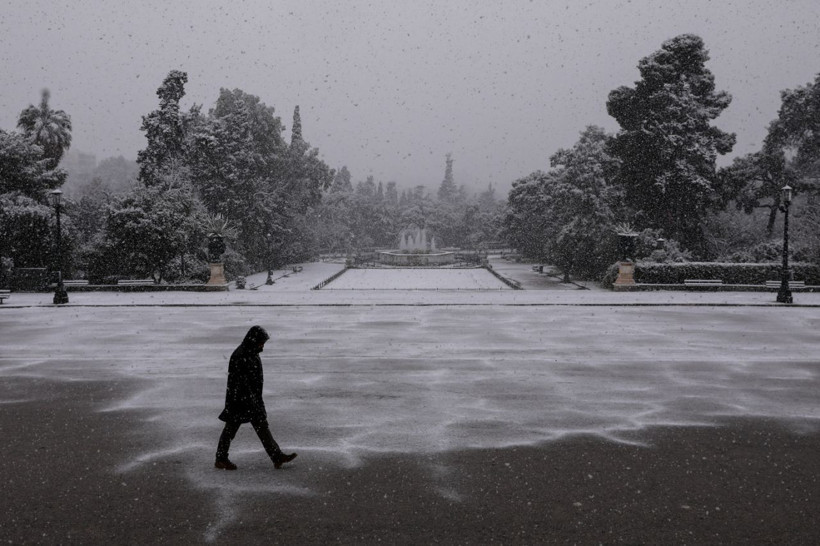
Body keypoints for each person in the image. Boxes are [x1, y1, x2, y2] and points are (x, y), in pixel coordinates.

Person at [215, 325, 297, 470]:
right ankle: (220, 459)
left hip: (251, 400)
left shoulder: (251, 352)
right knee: (230, 430)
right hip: (239, 401)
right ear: (254, 340)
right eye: (261, 343)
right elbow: (239, 383)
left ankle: (277, 456)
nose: (263, 346)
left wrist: (256, 400)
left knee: (262, 427)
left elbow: (254, 381)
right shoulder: (240, 355)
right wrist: (251, 401)